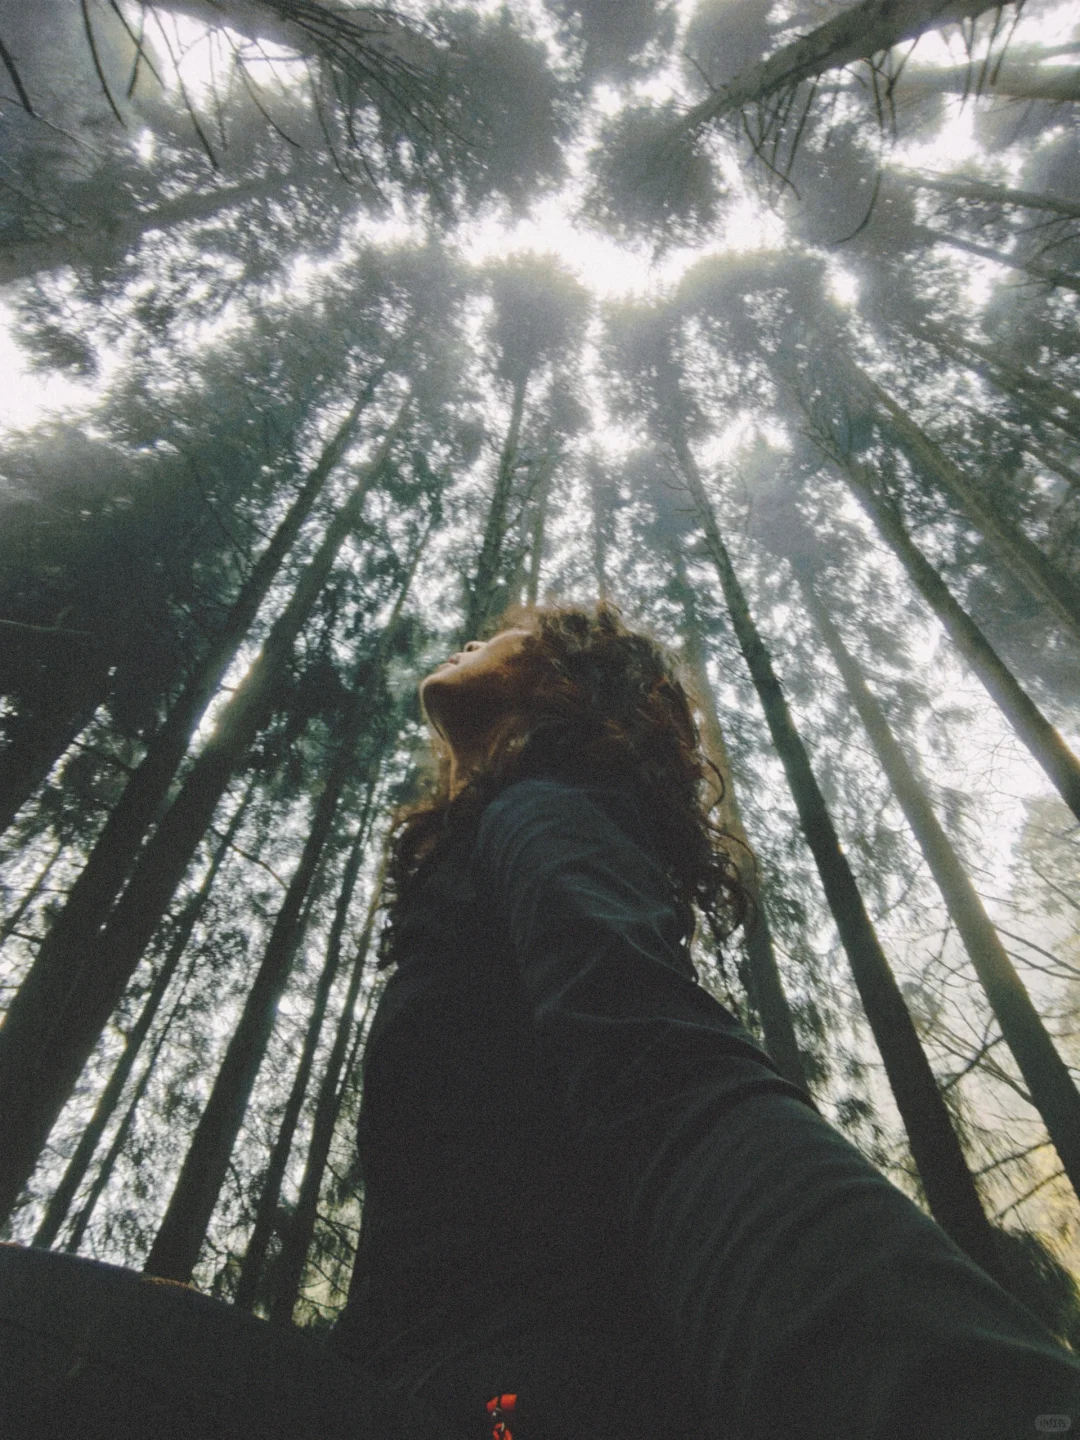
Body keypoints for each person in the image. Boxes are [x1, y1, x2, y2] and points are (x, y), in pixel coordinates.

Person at [328, 600, 1080, 1439]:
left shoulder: (539, 811)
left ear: (566, 678)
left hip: (531, 1388)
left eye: (512, 636)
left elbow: (661, 1067)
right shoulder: (492, 854)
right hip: (428, 1377)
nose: (474, 635)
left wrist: (950, 1392)